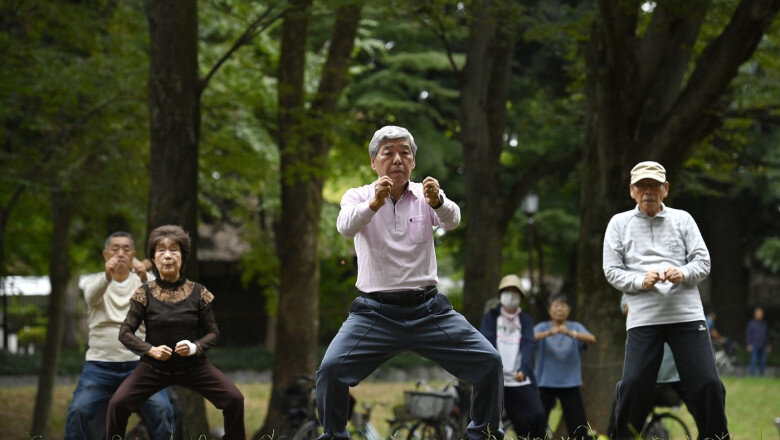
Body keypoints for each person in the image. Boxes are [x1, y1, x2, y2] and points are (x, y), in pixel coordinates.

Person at [317, 125, 504, 440]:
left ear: (413, 162)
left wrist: (438, 201)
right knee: (331, 369)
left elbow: (453, 220)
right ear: (374, 162)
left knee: (489, 362)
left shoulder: (426, 194)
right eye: (388, 153)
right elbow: (345, 227)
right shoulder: (358, 196)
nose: (397, 159)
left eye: (404, 153)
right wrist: (373, 204)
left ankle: (483, 435)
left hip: (428, 310)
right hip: (374, 313)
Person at [603, 161, 729, 440]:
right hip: (644, 319)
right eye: (642, 185)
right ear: (632, 190)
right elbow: (611, 271)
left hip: (686, 316)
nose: (648, 191)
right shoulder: (619, 224)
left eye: (654, 185)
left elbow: (703, 262)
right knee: (633, 386)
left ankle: (717, 438)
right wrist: (640, 280)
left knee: (708, 384)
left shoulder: (682, 219)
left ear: (666, 189)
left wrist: (683, 273)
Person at [106, 225, 245, 440]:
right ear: (153, 258)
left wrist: (194, 347)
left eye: (174, 250)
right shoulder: (144, 293)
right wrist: (150, 350)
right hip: (153, 369)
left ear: (183, 257)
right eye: (161, 250)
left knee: (234, 399)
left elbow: (213, 332)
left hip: (193, 367)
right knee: (118, 405)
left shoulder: (199, 292)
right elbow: (125, 333)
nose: (168, 256)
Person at [65, 232, 175, 440]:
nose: (121, 254)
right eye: (115, 249)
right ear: (105, 254)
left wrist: (144, 278)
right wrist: (107, 276)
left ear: (133, 254)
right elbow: (91, 296)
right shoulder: (94, 281)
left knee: (164, 410)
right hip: (99, 367)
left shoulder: (146, 281)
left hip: (140, 365)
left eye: (126, 249)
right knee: (78, 410)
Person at [479, 274, 546, 440]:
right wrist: (494, 371)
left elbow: (529, 344)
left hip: (518, 378)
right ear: (500, 295)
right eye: (506, 291)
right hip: (495, 379)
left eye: (514, 291)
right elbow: (486, 344)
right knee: (483, 419)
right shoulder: (491, 317)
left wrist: (524, 370)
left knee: (537, 415)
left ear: (521, 297)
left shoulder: (525, 320)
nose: (510, 295)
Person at [534, 294, 596, 440]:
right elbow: (528, 338)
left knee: (578, 427)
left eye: (563, 306)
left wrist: (570, 333)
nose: (559, 309)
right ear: (549, 310)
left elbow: (592, 339)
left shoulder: (575, 327)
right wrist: (549, 332)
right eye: (556, 306)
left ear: (569, 310)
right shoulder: (542, 327)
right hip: (544, 383)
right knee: (537, 425)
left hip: (570, 383)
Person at [746, 307, 770, 376]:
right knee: (753, 361)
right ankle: (752, 375)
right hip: (754, 345)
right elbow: (748, 335)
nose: (759, 315)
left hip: (763, 346)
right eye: (758, 313)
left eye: (760, 313)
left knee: (763, 361)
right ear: (755, 314)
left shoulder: (764, 324)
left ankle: (762, 375)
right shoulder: (751, 324)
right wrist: (749, 344)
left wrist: (768, 345)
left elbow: (767, 335)